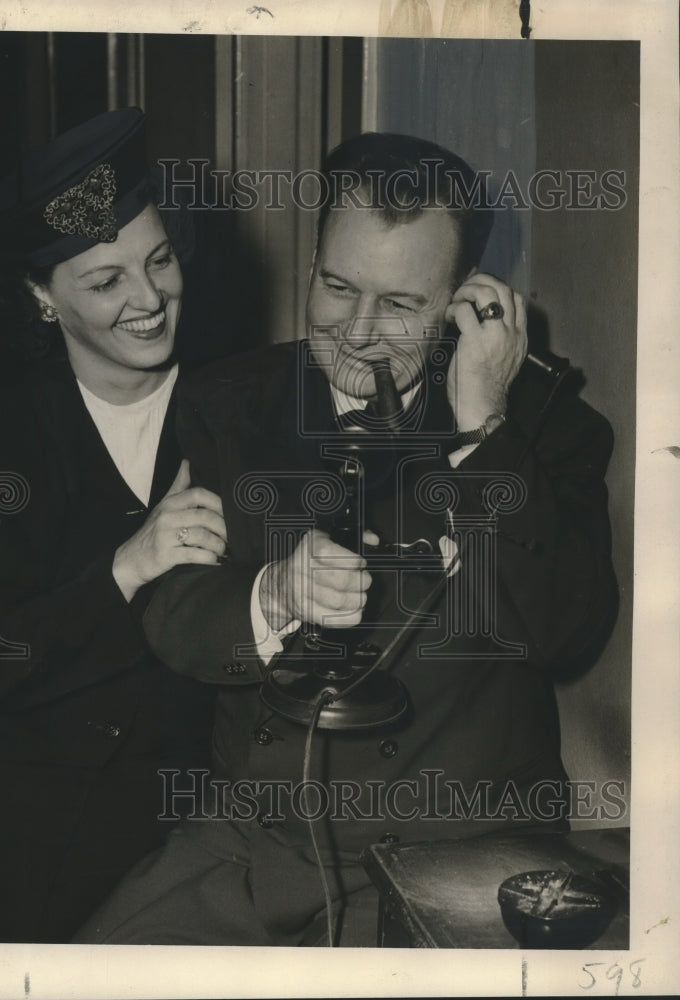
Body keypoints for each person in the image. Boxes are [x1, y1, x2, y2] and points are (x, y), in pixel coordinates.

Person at [76, 132, 618, 946]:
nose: (358, 332)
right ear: (313, 267)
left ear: (465, 302)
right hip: (253, 844)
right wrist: (270, 595)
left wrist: (481, 436)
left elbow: (563, 634)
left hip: (459, 851)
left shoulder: (540, 429)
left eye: (400, 304)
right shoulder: (229, 401)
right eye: (337, 286)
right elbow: (174, 611)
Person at [0, 108, 228, 943]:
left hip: (176, 820)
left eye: (159, 259)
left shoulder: (240, 407)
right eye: (105, 281)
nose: (149, 299)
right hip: (4, 809)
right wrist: (125, 568)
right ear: (42, 297)